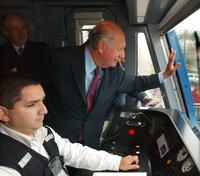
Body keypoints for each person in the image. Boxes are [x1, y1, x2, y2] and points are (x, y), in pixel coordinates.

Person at [41, 20, 179, 150]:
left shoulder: (115, 71)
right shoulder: (58, 60)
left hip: (89, 146)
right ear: (101, 46)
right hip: (57, 144)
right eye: (120, 49)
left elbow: (136, 83)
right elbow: (34, 94)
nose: (122, 56)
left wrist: (165, 75)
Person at [0, 73, 139, 176]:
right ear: (3, 114)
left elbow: (75, 153)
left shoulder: (45, 132)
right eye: (32, 105)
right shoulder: (6, 167)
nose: (44, 110)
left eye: (42, 101)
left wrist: (117, 162)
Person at [0, 13, 50, 78]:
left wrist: (16, 70)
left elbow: (46, 74)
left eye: (23, 27)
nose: (21, 32)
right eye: (15, 29)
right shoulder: (2, 52)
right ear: (5, 32)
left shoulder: (41, 48)